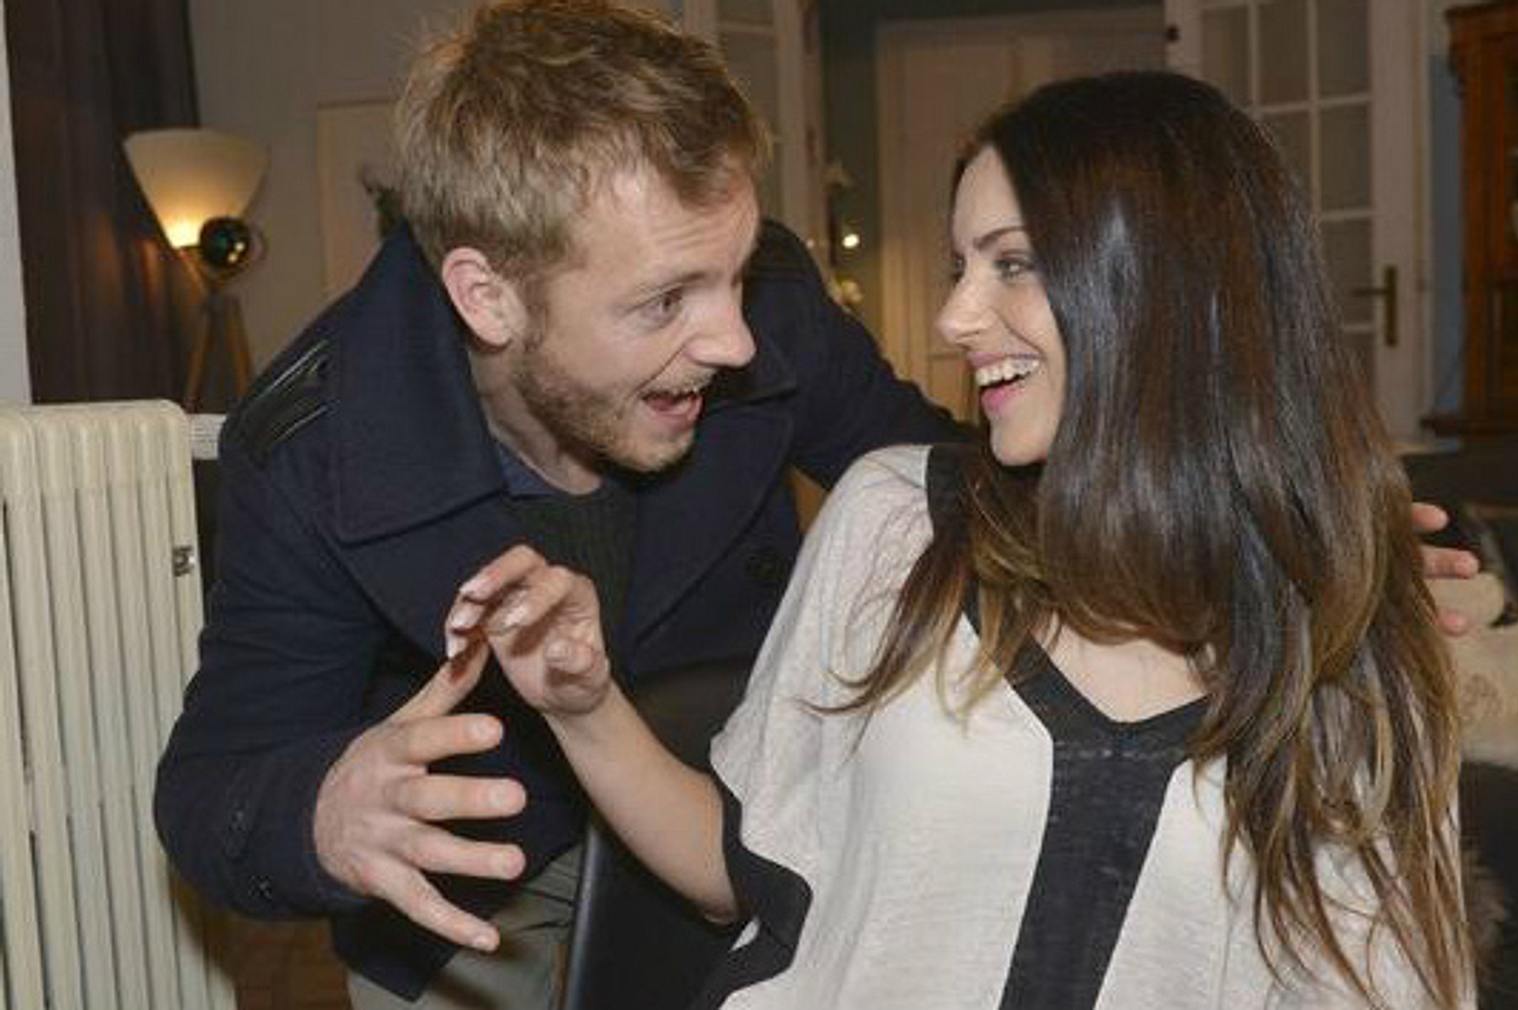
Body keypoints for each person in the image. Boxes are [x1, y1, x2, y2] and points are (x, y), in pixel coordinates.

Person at [453, 71, 1477, 1008]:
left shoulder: (1350, 650)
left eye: (1012, 263)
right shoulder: (896, 521)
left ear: (1167, 283)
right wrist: (582, 708)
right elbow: (739, 870)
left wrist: (1337, 573)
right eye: (962, 265)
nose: (953, 316)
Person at [153, 2, 961, 1007]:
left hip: (727, 787)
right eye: (664, 301)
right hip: (481, 866)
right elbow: (212, 787)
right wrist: (322, 812)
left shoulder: (773, 308)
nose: (736, 341)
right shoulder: (314, 449)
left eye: (736, 273)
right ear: (488, 297)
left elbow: (953, 494)